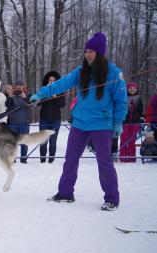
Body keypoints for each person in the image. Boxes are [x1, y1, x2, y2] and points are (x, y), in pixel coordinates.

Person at [30, 32, 127, 211]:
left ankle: (112, 197)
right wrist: (41, 93)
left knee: (104, 161)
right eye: (86, 51)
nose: (88, 55)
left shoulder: (114, 73)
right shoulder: (81, 72)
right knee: (70, 159)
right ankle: (65, 193)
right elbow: (61, 83)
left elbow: (121, 100)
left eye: (92, 51)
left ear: (100, 53)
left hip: (101, 124)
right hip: (80, 124)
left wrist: (118, 121)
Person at [38, 71, 66, 163]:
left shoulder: (60, 91)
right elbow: (38, 103)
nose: (51, 82)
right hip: (44, 119)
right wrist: (44, 95)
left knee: (53, 142)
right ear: (47, 81)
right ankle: (42, 160)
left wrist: (55, 97)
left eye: (53, 80)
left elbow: (62, 104)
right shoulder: (43, 90)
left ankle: (51, 160)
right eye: (50, 80)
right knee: (43, 141)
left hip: (55, 120)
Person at [5, 79, 31, 163]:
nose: (19, 86)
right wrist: (9, 97)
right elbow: (7, 106)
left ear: (24, 86)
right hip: (13, 123)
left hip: (24, 122)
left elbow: (32, 105)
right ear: (14, 86)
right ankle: (13, 159)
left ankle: (23, 159)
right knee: (12, 142)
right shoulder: (11, 94)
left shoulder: (28, 94)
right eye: (17, 85)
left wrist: (26, 98)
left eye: (21, 85)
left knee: (24, 141)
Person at [119, 82, 143, 162]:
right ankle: (123, 157)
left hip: (135, 122)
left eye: (133, 88)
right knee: (124, 139)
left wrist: (140, 117)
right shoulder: (123, 98)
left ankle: (132, 157)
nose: (132, 89)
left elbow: (140, 110)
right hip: (125, 122)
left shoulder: (139, 99)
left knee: (132, 140)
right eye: (130, 88)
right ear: (127, 89)